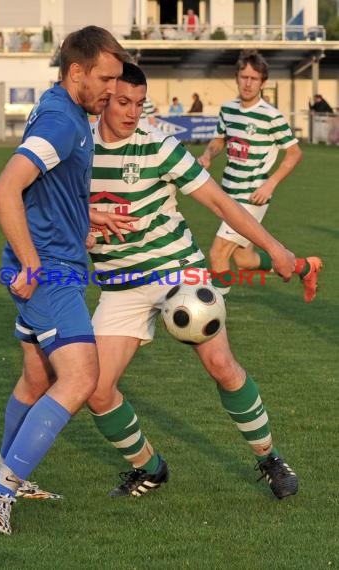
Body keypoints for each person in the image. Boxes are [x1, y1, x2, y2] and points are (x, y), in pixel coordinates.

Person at [86, 62, 299, 501]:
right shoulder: (77, 147)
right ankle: (150, 467)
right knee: (95, 389)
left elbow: (220, 203)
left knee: (220, 364)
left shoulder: (159, 147)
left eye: (139, 105)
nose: (131, 113)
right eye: (123, 102)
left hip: (178, 270)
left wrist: (275, 248)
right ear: (103, 97)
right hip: (120, 282)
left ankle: (269, 458)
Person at [0, 25, 132, 536]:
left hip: (53, 259)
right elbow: (5, 190)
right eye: (105, 79)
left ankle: (9, 480)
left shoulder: (61, 107)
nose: (112, 90)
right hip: (49, 274)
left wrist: (83, 217)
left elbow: (47, 188)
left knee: (37, 379)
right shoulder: (64, 123)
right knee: (82, 377)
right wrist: (32, 263)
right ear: (76, 72)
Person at [199, 50, 322, 301]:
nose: (247, 83)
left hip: (252, 196)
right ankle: (305, 267)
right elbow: (220, 140)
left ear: (263, 82)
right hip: (228, 193)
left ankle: (215, 316)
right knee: (244, 260)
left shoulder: (271, 115)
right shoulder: (228, 109)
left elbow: (294, 153)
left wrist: (270, 184)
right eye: (243, 77)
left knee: (218, 253)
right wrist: (208, 156)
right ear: (236, 78)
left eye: (254, 79)